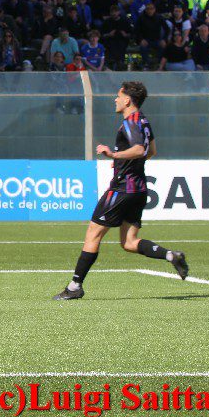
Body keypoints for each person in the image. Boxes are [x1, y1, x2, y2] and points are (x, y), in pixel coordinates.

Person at [54, 82, 189, 300]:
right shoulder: (144, 120)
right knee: (128, 243)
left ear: (127, 100)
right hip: (139, 188)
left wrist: (114, 155)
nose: (115, 100)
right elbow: (151, 150)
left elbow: (139, 149)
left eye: (118, 96)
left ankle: (74, 287)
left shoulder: (130, 122)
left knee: (93, 233)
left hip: (122, 188)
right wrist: (126, 164)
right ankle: (171, 256)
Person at [135, 1, 168, 66]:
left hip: (157, 39)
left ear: (154, 9)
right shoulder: (141, 18)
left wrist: (164, 39)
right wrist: (141, 39)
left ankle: (159, 64)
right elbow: (136, 31)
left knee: (163, 46)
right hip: (146, 39)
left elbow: (167, 29)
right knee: (142, 47)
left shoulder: (159, 17)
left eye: (151, 9)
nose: (150, 10)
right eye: (148, 9)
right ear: (145, 9)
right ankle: (147, 63)